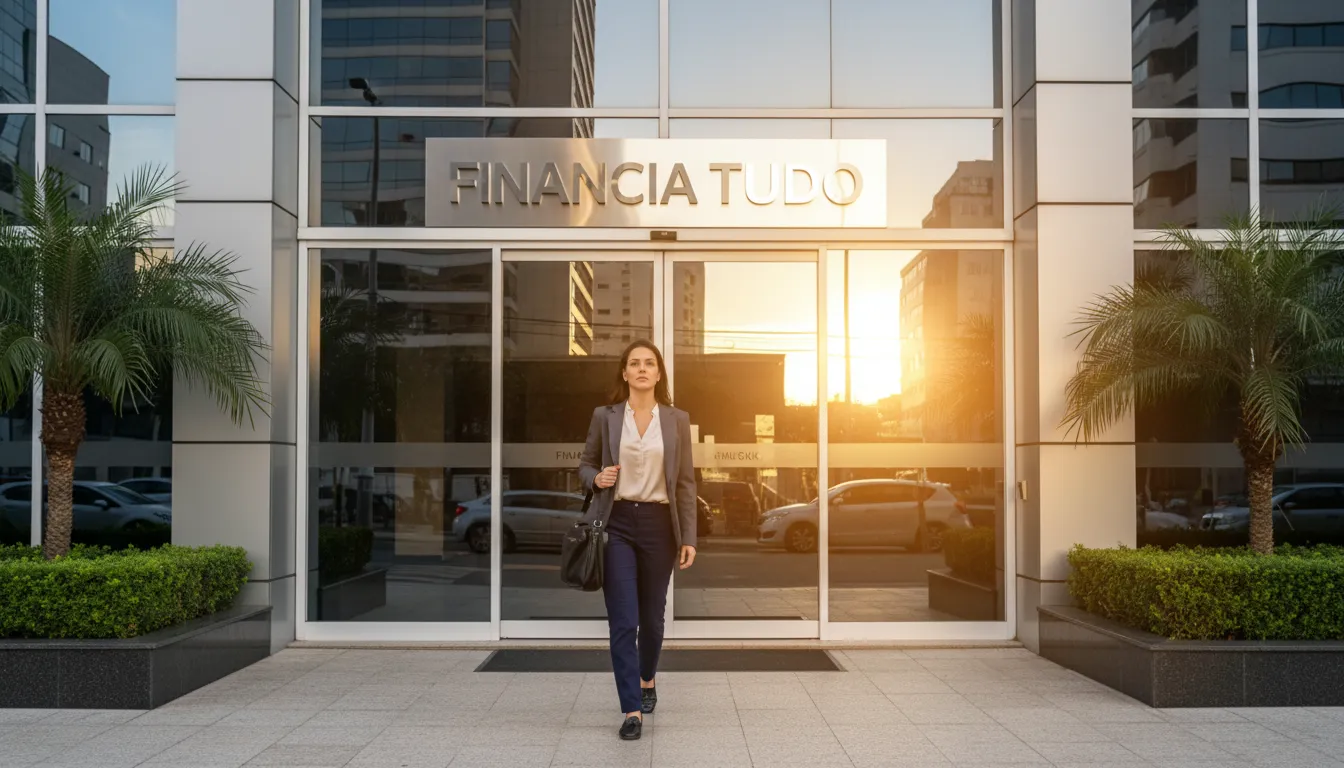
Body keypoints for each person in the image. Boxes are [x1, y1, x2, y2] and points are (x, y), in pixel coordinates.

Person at [578, 340, 698, 741]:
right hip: (617, 523)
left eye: (650, 363)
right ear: (625, 373)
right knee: (623, 621)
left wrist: (689, 536)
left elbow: (684, 483)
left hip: (660, 524)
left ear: (658, 374)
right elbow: (585, 464)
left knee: (652, 619)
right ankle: (632, 710)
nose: (642, 369)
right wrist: (595, 478)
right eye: (635, 363)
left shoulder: (677, 420)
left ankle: (647, 679)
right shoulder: (606, 416)